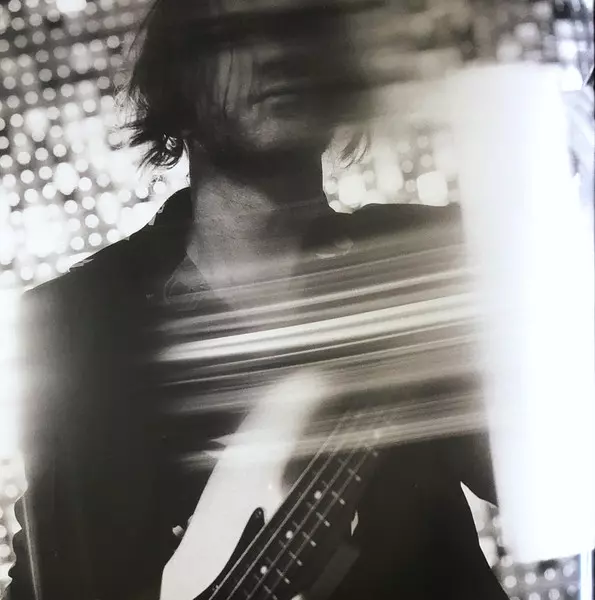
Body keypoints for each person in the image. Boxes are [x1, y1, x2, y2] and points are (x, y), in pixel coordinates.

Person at [9, 1, 509, 599]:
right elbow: (50, 577)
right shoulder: (76, 322)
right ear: (177, 80)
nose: (275, 54)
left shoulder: (434, 253)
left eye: (299, 28)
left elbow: (553, 479)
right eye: (235, 32)